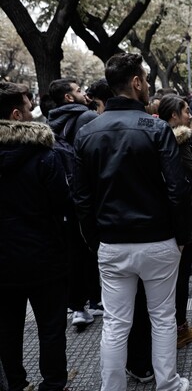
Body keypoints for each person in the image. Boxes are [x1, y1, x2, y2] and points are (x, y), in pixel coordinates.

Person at [71, 53, 191, 391]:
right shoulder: (155, 128)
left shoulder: (87, 131)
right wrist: (181, 236)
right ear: (136, 82)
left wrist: (94, 239)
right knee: (162, 318)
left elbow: (81, 197)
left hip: (112, 241)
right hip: (157, 240)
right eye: (147, 79)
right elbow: (177, 189)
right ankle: (167, 383)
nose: (150, 85)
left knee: (115, 323)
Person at [0, 82, 70, 391]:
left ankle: (17, 384)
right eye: (30, 107)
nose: (33, 113)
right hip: (44, 254)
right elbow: (63, 203)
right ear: (16, 114)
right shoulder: (43, 154)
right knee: (51, 327)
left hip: (2, 260)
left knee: (7, 329)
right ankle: (53, 384)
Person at [47, 77, 102, 328]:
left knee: (76, 252)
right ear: (69, 97)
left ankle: (81, 305)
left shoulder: (52, 122)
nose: (84, 95)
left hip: (65, 196)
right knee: (89, 249)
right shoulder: (85, 118)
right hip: (86, 194)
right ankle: (91, 302)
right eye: (79, 91)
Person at [158, 95, 192, 348]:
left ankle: (166, 327)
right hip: (182, 214)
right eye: (186, 111)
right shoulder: (179, 140)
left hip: (160, 216)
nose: (190, 115)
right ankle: (179, 328)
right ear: (174, 116)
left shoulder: (152, 137)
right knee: (180, 276)